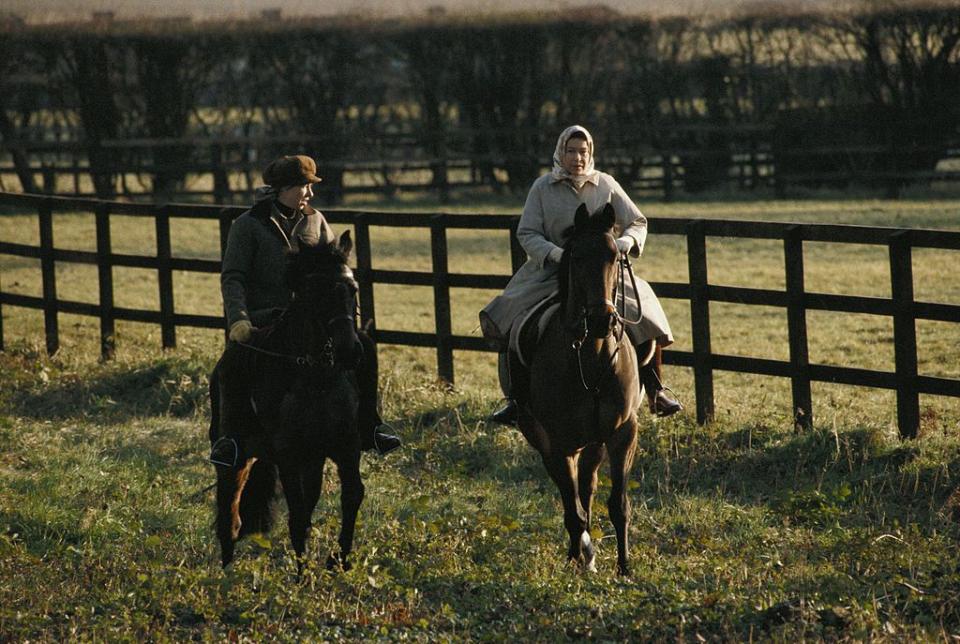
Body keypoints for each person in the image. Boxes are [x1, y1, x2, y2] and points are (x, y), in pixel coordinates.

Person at [479, 125, 682, 425]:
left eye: (583, 151)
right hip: (551, 271)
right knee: (515, 320)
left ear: (591, 153)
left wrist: (623, 243)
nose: (578, 157)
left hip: (602, 271)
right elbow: (527, 231)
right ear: (561, 152)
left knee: (643, 314)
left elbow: (637, 221)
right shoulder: (542, 188)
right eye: (571, 151)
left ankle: (655, 389)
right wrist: (555, 254)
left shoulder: (606, 184)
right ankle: (517, 400)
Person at [209, 154, 401, 465]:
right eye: (303, 187)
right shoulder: (247, 226)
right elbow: (234, 278)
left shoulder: (317, 220)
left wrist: (347, 321)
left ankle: (371, 425)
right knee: (229, 365)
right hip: (265, 319)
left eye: (310, 188)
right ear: (282, 188)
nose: (309, 194)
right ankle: (229, 440)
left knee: (364, 348)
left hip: (313, 322)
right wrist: (239, 320)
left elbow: (337, 273)